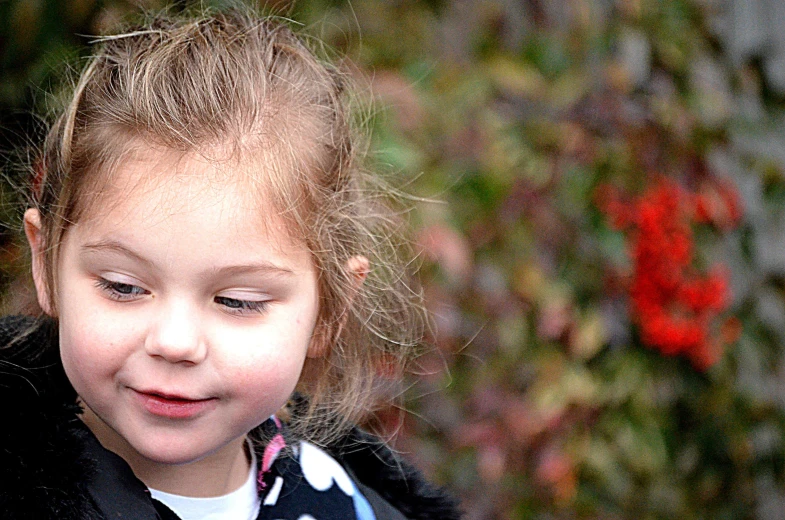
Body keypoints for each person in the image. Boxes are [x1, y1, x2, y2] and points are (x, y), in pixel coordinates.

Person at [0, 5, 460, 520]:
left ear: (328, 309)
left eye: (238, 301)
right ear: (46, 263)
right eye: (124, 286)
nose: (175, 343)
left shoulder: (353, 509)